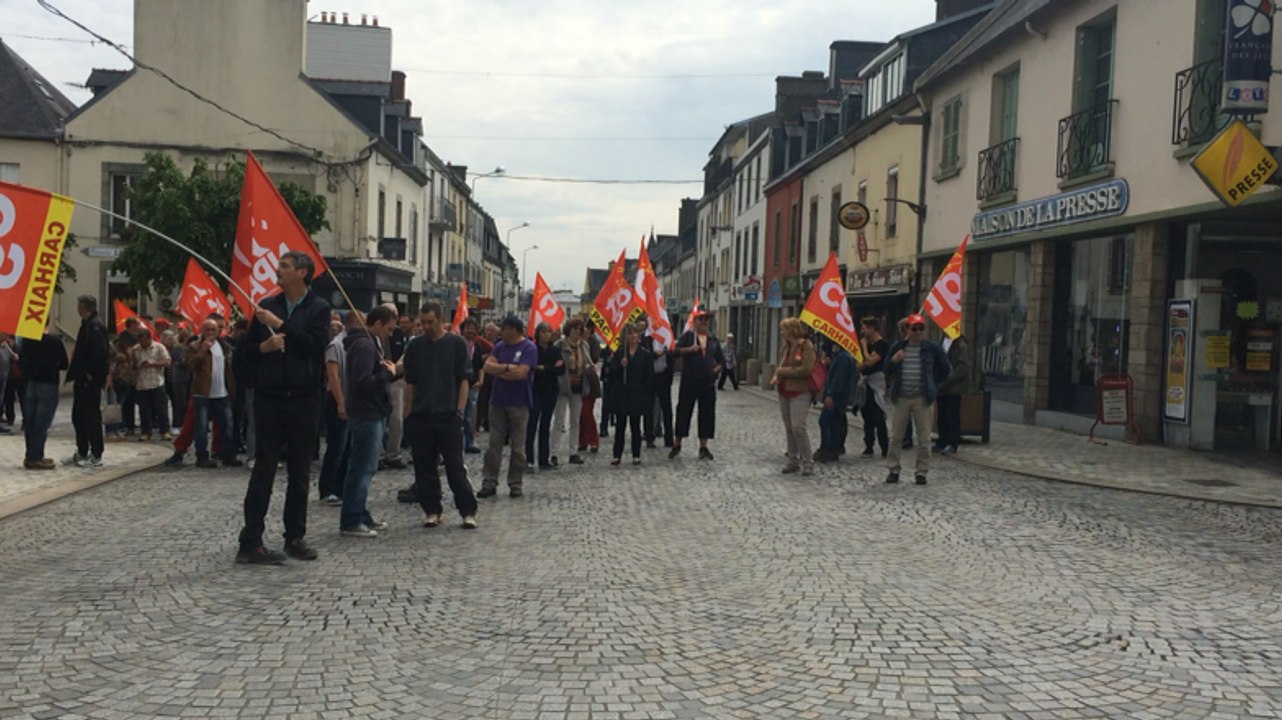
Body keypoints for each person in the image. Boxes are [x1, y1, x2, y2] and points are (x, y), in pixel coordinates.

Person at [235, 251, 332, 565]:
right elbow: (244, 353)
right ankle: (251, 540)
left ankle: (295, 537)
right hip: (270, 398)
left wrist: (281, 326)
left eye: (285, 266)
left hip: (304, 398)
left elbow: (313, 346)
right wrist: (263, 347)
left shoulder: (318, 308)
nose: (277, 270)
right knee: (264, 468)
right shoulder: (266, 306)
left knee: (300, 470)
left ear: (302, 273)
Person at [403, 302, 478, 530]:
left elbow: (464, 380)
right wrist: (408, 413)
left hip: (448, 414)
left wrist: (460, 410)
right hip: (422, 414)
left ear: (441, 319)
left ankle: (468, 510)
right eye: (422, 322)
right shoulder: (416, 347)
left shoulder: (456, 344)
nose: (425, 327)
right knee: (424, 467)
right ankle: (432, 510)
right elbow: (410, 382)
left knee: (455, 466)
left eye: (430, 322)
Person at [339, 305, 399, 538]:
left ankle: (360, 514)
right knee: (362, 467)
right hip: (366, 412)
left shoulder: (369, 342)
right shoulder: (364, 345)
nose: (391, 333)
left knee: (364, 466)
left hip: (370, 411)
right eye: (390, 328)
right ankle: (352, 519)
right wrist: (388, 374)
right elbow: (363, 382)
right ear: (379, 324)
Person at [884, 314, 951, 486]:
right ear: (907, 330)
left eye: (921, 328)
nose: (918, 332)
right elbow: (885, 369)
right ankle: (893, 469)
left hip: (922, 398)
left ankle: (921, 472)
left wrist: (933, 385)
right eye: (914, 329)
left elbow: (945, 368)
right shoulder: (898, 347)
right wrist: (894, 360)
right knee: (896, 437)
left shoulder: (931, 348)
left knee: (924, 439)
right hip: (901, 397)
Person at [479, 317, 537, 498]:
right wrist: (507, 368)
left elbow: (521, 373)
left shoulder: (529, 348)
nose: (500, 332)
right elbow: (488, 366)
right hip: (498, 401)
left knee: (517, 447)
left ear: (513, 329)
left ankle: (515, 483)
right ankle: (489, 482)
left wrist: (500, 370)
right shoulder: (499, 346)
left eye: (503, 328)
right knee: (494, 445)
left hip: (519, 402)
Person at [187, 318, 242, 469]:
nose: (211, 333)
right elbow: (190, 366)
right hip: (202, 393)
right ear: (202, 330)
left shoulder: (223, 346)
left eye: (214, 330)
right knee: (202, 426)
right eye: (208, 329)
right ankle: (202, 456)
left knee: (227, 425)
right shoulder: (194, 346)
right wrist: (202, 351)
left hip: (222, 392)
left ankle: (228, 455)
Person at [319, 310, 362, 505]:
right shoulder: (335, 345)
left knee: (349, 447)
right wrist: (340, 402)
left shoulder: (357, 344)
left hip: (354, 401)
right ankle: (327, 489)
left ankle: (342, 486)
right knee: (337, 446)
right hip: (338, 399)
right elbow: (333, 376)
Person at [670, 310, 725, 460]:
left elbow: (721, 361)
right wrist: (689, 349)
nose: (704, 322)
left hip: (707, 383)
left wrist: (715, 371)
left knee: (706, 414)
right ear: (695, 322)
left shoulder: (713, 340)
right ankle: (677, 442)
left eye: (706, 319)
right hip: (689, 381)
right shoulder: (688, 337)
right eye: (701, 319)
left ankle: (704, 446)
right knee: (684, 411)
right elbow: (675, 352)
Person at [66, 295, 110, 467]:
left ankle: (96, 453)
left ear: (85, 307)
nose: (77, 308)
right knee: (78, 416)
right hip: (81, 377)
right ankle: (82, 450)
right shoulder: (87, 325)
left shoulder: (95, 326)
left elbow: (100, 353)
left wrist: (92, 374)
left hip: (89, 379)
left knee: (91, 416)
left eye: (79, 305)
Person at [770, 318, 816, 476]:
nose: (781, 333)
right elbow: (781, 365)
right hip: (784, 390)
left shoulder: (806, 346)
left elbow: (806, 369)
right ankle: (792, 460)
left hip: (800, 391)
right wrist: (779, 377)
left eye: (783, 330)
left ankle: (808, 461)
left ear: (791, 330)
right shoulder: (786, 347)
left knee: (798, 427)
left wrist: (783, 372)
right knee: (789, 428)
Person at [20, 329, 68, 469]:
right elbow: (64, 363)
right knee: (42, 423)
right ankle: (36, 457)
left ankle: (30, 455)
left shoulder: (27, 341)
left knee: (30, 421)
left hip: (32, 383)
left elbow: (23, 362)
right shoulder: (54, 342)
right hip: (49, 383)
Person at [607, 323, 651, 466]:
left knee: (635, 426)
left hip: (637, 393)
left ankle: (636, 454)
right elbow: (612, 374)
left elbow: (648, 375)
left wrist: (645, 392)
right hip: (622, 393)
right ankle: (617, 454)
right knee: (620, 426)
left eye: (635, 334)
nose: (633, 336)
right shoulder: (620, 353)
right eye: (630, 334)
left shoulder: (645, 354)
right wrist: (621, 366)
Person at [526, 322, 564, 471]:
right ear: (538, 333)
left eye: (548, 331)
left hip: (551, 390)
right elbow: (532, 367)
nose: (546, 334)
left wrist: (546, 368)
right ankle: (529, 459)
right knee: (532, 425)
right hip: (535, 390)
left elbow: (561, 368)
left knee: (545, 425)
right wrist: (550, 368)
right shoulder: (532, 349)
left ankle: (543, 459)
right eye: (543, 331)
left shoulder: (554, 350)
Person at [555, 317, 590, 465]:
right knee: (558, 420)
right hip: (564, 386)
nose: (577, 331)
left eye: (579, 329)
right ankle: (553, 452)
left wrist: (588, 368)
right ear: (568, 330)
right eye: (575, 328)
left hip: (578, 385)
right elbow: (556, 365)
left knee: (575, 421)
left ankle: (573, 452)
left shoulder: (583, 346)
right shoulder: (560, 345)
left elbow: (587, 362)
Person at [815, 342, 855, 463]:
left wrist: (830, 394)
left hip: (836, 397)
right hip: (839, 397)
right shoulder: (841, 357)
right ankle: (832, 448)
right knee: (833, 423)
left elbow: (839, 379)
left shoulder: (843, 358)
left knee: (825, 421)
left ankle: (828, 448)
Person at [856, 318, 890, 458]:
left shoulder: (881, 345)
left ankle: (884, 447)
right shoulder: (868, 345)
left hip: (876, 383)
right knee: (866, 416)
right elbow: (862, 365)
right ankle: (869, 445)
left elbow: (870, 361)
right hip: (866, 382)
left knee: (878, 416)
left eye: (864, 328)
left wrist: (864, 347)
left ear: (872, 328)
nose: (862, 331)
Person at [380, 303, 409, 471]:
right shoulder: (374, 333)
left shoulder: (398, 333)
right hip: (379, 379)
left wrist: (398, 372)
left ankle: (393, 453)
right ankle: (378, 453)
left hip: (396, 380)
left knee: (396, 419)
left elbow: (402, 354)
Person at [640, 317, 675, 448]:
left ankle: (669, 438)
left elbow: (673, 353)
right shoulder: (645, 338)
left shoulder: (667, 337)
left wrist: (667, 352)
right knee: (648, 409)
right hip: (650, 377)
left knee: (667, 409)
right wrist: (655, 355)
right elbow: (644, 356)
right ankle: (649, 437)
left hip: (664, 377)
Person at [131, 327, 172, 442]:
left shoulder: (159, 347)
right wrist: (137, 365)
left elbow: (167, 361)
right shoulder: (136, 350)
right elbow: (132, 365)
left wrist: (153, 363)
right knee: (144, 410)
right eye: (139, 340)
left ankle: (165, 431)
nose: (141, 343)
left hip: (157, 382)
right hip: (142, 383)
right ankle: (146, 432)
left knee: (161, 409)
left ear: (149, 338)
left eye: (143, 340)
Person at [933, 333, 971, 455]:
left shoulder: (960, 344)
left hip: (953, 387)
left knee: (952, 415)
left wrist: (950, 379)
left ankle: (952, 442)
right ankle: (942, 440)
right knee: (942, 415)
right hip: (941, 386)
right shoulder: (942, 341)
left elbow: (963, 366)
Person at [459, 317, 486, 454]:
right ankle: (458, 442)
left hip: (473, 384)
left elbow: (481, 366)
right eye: (468, 327)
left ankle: (469, 442)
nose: (470, 330)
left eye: (473, 328)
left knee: (469, 414)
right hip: (459, 384)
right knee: (459, 413)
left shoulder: (477, 347)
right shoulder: (457, 344)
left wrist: (481, 380)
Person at [578, 323, 602, 454]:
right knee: (580, 414)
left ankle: (593, 440)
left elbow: (594, 358)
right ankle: (582, 440)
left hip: (589, 381)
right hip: (578, 382)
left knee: (587, 412)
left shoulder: (593, 343)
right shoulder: (575, 343)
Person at [109, 332, 137, 439]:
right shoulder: (112, 348)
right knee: (113, 406)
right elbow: (110, 364)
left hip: (125, 380)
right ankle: (111, 430)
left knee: (121, 406)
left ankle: (118, 428)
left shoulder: (128, 350)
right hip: (115, 379)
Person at [476, 322, 499, 433]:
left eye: (492, 330)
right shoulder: (480, 343)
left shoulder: (497, 344)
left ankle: (488, 423)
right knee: (482, 401)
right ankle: (478, 422)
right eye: (488, 330)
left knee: (491, 402)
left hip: (493, 376)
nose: (490, 332)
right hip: (483, 375)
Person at [0, 333, 14, 434]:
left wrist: (10, 347)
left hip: (4, 377)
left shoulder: (4, 346)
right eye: (4, 335)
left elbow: (14, 357)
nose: (6, 338)